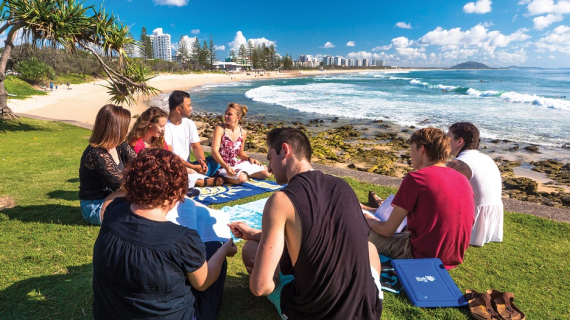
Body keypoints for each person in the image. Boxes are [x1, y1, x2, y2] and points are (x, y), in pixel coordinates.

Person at [228, 128, 383, 320]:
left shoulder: (281, 201)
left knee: (250, 250)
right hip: (366, 309)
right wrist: (252, 232)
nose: (269, 168)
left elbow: (259, 287)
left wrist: (273, 278)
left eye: (270, 158)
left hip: (316, 313)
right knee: (370, 249)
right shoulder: (343, 186)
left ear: (285, 150)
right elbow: (311, 232)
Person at [92, 148, 237, 319]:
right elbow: (203, 283)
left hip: (110, 313)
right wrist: (224, 251)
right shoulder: (181, 239)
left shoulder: (114, 210)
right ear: (176, 193)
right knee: (214, 249)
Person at [365, 127, 474, 270]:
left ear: (421, 149)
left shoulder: (417, 179)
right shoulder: (462, 178)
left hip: (423, 256)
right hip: (452, 256)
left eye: (411, 149)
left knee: (359, 229)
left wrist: (366, 219)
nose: (410, 154)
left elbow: (387, 230)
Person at [447, 122, 503, 247]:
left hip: (473, 227)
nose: (445, 141)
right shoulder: (486, 158)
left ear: (459, 141)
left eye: (448, 137)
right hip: (491, 225)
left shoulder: (458, 164)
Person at [78, 104, 135, 225]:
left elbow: (140, 163)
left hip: (115, 198)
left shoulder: (119, 145)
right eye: (126, 126)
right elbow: (125, 185)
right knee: (133, 194)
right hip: (94, 206)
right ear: (116, 129)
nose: (128, 130)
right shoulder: (96, 154)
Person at [165, 90, 223, 187]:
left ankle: (195, 177)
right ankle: (199, 181)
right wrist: (192, 167)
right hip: (173, 166)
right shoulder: (165, 127)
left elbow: (196, 147)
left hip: (189, 165)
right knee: (171, 173)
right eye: (188, 106)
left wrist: (202, 163)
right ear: (178, 109)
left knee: (217, 162)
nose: (191, 108)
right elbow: (171, 156)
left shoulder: (189, 124)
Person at [211, 103, 271, 185]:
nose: (226, 116)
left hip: (236, 163)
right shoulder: (220, 129)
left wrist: (249, 158)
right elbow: (214, 151)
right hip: (221, 165)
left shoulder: (243, 133)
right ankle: (223, 177)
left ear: (238, 117)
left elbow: (240, 153)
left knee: (266, 172)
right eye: (225, 113)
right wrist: (226, 167)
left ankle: (241, 174)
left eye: (229, 114)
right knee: (242, 178)